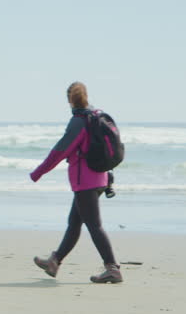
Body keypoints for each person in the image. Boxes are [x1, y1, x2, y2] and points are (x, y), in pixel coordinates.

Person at [28, 81, 122, 283]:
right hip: (101, 177)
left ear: (69, 100)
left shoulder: (79, 122)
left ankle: (112, 268)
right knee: (74, 223)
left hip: (85, 182)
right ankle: (54, 261)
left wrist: (38, 172)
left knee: (94, 225)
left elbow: (60, 151)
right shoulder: (95, 116)